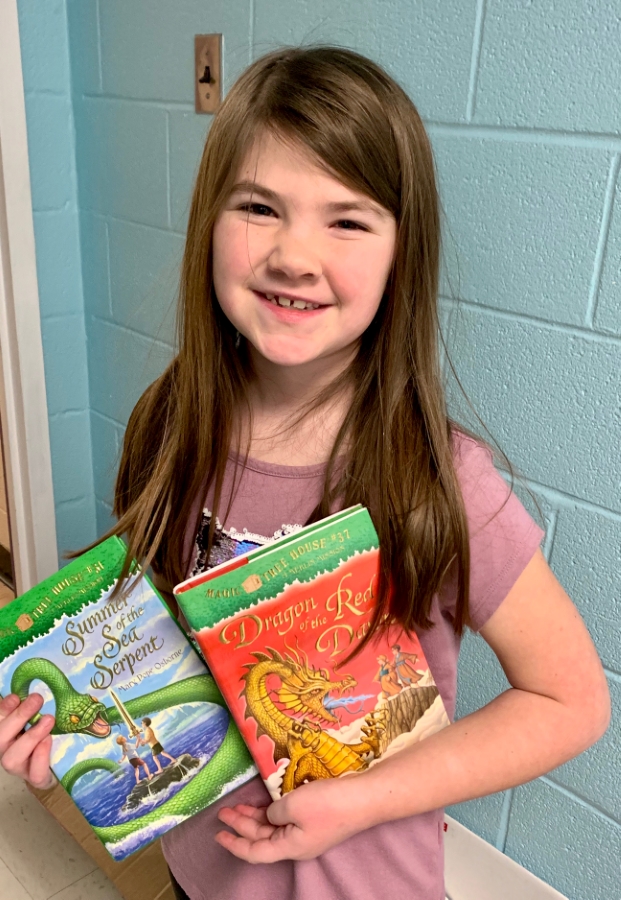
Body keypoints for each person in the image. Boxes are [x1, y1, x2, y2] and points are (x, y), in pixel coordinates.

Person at [0, 47, 610, 900]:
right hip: (199, 877)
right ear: (209, 222)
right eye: (258, 207)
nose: (294, 253)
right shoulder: (170, 425)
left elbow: (571, 701)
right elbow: (159, 648)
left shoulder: (443, 480)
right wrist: (73, 742)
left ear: (403, 253)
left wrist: (364, 800)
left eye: (347, 220)